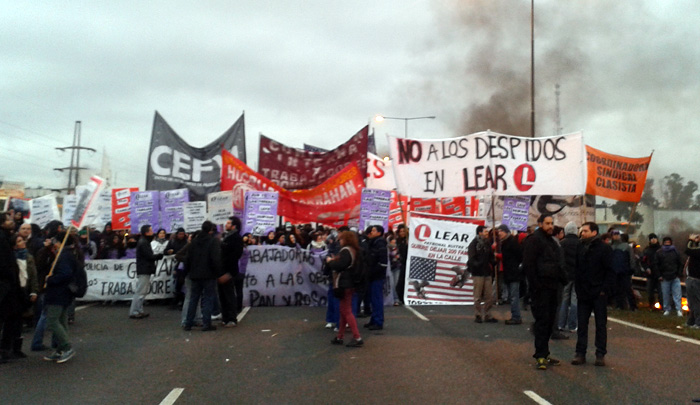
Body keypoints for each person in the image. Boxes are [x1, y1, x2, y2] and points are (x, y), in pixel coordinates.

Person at [522, 214, 566, 370]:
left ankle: (545, 353)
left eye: (551, 223)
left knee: (549, 322)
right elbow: (529, 265)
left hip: (553, 288)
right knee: (542, 322)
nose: (550, 226)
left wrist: (563, 279)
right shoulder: (534, 240)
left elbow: (557, 263)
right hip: (540, 290)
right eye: (547, 223)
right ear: (540, 224)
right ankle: (540, 355)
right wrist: (535, 286)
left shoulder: (552, 242)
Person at [571, 222, 615, 367]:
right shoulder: (580, 247)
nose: (582, 233)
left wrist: (604, 290)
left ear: (594, 232)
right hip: (583, 292)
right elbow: (576, 269)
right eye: (581, 231)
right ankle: (580, 353)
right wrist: (577, 287)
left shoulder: (604, 249)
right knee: (582, 324)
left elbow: (610, 270)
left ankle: (600, 353)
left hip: (598, 292)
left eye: (585, 231)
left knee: (600, 325)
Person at [43, 232, 82, 363]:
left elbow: (65, 274)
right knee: (61, 320)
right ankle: (60, 349)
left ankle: (66, 347)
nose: (53, 243)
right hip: (63, 293)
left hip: (58, 293)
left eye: (55, 241)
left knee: (52, 321)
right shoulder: (67, 254)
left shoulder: (63, 256)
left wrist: (51, 279)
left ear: (60, 242)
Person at [183, 221, 222, 331]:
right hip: (208, 274)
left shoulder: (194, 242)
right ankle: (206, 323)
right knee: (208, 299)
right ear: (210, 230)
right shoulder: (212, 241)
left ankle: (188, 323)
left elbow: (188, 259)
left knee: (193, 299)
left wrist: (187, 271)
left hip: (195, 274)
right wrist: (218, 273)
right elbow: (215, 259)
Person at [327, 231, 363, 347]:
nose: (339, 241)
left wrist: (331, 262)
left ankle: (357, 337)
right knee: (344, 311)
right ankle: (340, 336)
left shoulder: (346, 251)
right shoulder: (355, 251)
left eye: (340, 239)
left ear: (345, 239)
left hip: (344, 283)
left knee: (346, 311)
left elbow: (340, 266)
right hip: (351, 283)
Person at [0, 212, 23, 363]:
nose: (11, 221)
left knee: (10, 318)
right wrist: (10, 275)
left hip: (8, 285)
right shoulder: (1, 239)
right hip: (4, 285)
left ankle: (6, 349)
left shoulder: (6, 237)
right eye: (8, 219)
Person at [129, 225, 164, 319]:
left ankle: (139, 310)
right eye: (151, 230)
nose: (152, 232)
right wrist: (159, 256)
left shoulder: (143, 241)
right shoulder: (144, 242)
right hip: (144, 268)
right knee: (140, 291)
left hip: (144, 268)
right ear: (147, 232)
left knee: (142, 291)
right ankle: (135, 311)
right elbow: (149, 256)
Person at [468, 225, 497, 323]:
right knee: (478, 296)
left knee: (489, 296)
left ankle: (488, 315)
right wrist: (478, 264)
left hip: (487, 272)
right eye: (485, 232)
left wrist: (494, 261)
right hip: (478, 273)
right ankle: (478, 315)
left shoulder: (487, 243)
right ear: (480, 233)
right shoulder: (474, 244)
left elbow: (491, 257)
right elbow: (471, 259)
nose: (487, 233)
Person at [363, 225, 388, 331]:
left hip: (376, 276)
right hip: (372, 275)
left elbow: (382, 262)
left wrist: (372, 272)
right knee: (373, 299)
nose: (371, 232)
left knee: (377, 299)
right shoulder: (372, 243)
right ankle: (374, 320)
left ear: (379, 233)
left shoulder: (380, 244)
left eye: (374, 230)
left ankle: (378, 321)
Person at [220, 216, 244, 327]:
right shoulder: (225, 237)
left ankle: (232, 318)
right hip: (221, 271)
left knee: (229, 295)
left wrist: (228, 272)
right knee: (222, 296)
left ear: (233, 226)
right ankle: (225, 317)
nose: (226, 225)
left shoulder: (236, 238)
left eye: (228, 223)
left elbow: (235, 255)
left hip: (229, 271)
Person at [497, 224, 523, 325]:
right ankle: (515, 315)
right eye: (498, 231)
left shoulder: (512, 242)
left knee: (514, 296)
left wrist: (516, 267)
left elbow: (519, 255)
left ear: (506, 232)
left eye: (501, 231)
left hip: (513, 273)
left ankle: (516, 317)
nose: (499, 233)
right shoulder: (505, 242)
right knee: (512, 296)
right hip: (509, 273)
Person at [558, 221, 580, 333]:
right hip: (577, 275)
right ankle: (572, 325)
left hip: (565, 276)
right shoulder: (580, 244)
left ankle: (561, 324)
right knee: (574, 300)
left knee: (564, 299)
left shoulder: (562, 243)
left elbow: (559, 261)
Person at [655, 236, 684, 317]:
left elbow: (680, 263)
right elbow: (656, 265)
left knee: (677, 294)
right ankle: (667, 309)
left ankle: (679, 309)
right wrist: (659, 275)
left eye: (668, 242)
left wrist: (679, 274)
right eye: (666, 242)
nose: (667, 244)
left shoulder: (676, 252)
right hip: (664, 277)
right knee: (665, 294)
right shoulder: (659, 253)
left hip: (675, 276)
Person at [610, 230, 636, 310]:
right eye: (614, 235)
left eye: (617, 235)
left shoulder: (626, 246)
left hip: (625, 271)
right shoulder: (611, 247)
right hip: (614, 271)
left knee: (628, 289)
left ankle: (633, 306)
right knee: (617, 289)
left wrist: (632, 268)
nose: (616, 236)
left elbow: (631, 258)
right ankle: (619, 305)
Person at [641, 233, 662, 311]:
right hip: (650, 274)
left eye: (654, 238)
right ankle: (651, 306)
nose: (653, 240)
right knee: (650, 292)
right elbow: (643, 261)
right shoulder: (646, 250)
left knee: (661, 292)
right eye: (651, 238)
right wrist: (646, 268)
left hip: (660, 274)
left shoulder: (661, 249)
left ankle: (662, 306)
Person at [684, 233, 700, 328]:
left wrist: (690, 240)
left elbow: (688, 250)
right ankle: (691, 321)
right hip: (691, 278)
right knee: (691, 302)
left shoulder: (697, 251)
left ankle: (698, 322)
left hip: (696, 279)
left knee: (697, 301)